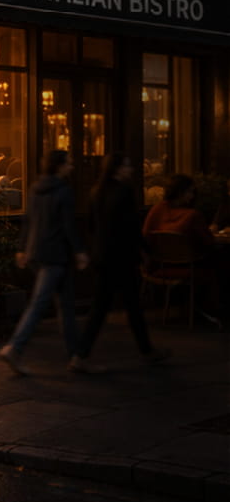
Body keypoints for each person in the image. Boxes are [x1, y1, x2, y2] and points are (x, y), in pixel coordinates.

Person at [70, 154, 171, 372]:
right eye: (127, 165)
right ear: (117, 169)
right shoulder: (124, 192)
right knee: (131, 306)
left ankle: (82, 354)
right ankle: (145, 351)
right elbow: (131, 227)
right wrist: (146, 250)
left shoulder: (95, 192)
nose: (131, 169)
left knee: (102, 307)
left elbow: (90, 225)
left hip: (103, 256)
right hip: (122, 257)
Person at [0, 150, 87, 376]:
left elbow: (27, 220)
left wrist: (21, 248)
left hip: (37, 252)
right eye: (68, 163)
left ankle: (76, 355)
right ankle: (15, 347)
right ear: (59, 166)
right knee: (40, 303)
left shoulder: (35, 188)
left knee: (65, 305)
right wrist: (79, 251)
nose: (72, 166)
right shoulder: (64, 191)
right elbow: (68, 225)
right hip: (56, 254)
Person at [142, 174, 222, 326]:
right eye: (190, 192)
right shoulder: (192, 216)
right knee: (218, 261)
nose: (192, 196)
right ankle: (211, 310)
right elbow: (208, 242)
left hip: (156, 266)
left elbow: (145, 236)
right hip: (187, 268)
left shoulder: (156, 210)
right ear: (182, 193)